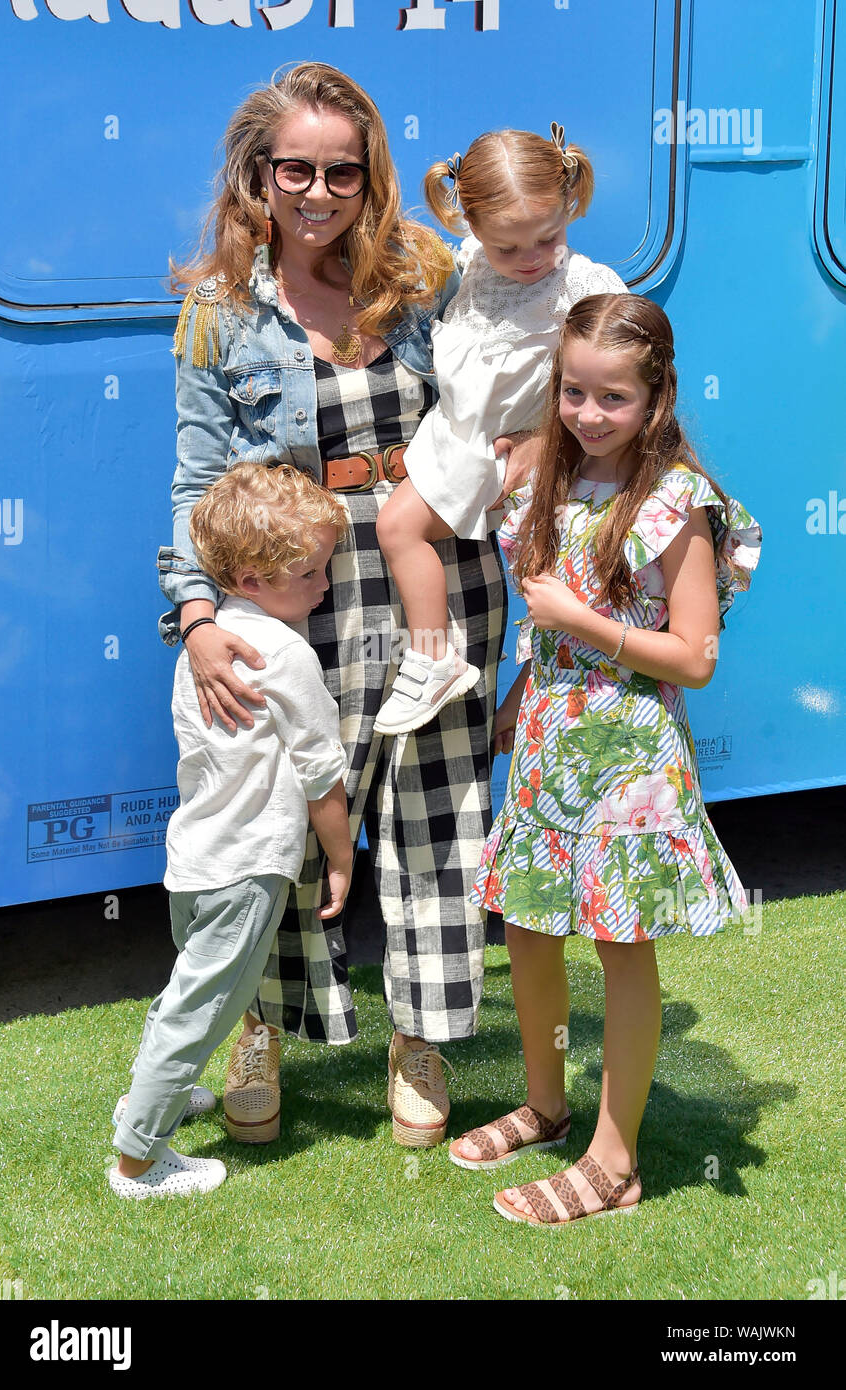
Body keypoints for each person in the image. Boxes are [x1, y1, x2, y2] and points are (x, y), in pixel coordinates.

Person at [157, 63, 519, 1149]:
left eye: (341, 173)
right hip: (285, 590)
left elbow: (515, 367)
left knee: (434, 809)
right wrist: (198, 615)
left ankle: (421, 1038)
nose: (318, 193)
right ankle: (260, 1024)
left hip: (433, 569)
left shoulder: (423, 273)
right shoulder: (219, 312)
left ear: (371, 180)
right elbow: (195, 483)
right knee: (277, 812)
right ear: (257, 176)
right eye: (295, 170)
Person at [453, 294, 761, 1224]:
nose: (587, 414)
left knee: (621, 947)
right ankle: (548, 1105)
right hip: (550, 741)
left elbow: (696, 658)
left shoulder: (676, 503)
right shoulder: (550, 479)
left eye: (612, 399)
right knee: (529, 927)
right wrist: (519, 702)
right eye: (573, 392)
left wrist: (584, 628)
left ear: (657, 398)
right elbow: (550, 632)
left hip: (630, 761)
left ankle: (615, 1160)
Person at [111, 464, 351, 1197]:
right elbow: (319, 770)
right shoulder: (286, 654)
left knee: (187, 992)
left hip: (191, 861)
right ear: (250, 577)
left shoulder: (203, 649)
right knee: (204, 1007)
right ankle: (140, 1159)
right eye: (308, 573)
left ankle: (156, 1095)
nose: (323, 586)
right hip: (245, 870)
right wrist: (341, 856)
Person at [373, 124, 626, 736]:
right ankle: (463, 669)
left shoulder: (586, 288)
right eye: (506, 248)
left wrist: (553, 439)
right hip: (458, 436)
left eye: (548, 237)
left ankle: (438, 659)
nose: (530, 259)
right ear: (468, 225)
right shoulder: (468, 266)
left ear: (570, 204)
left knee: (544, 581)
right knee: (539, 580)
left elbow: (626, 387)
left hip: (513, 452)